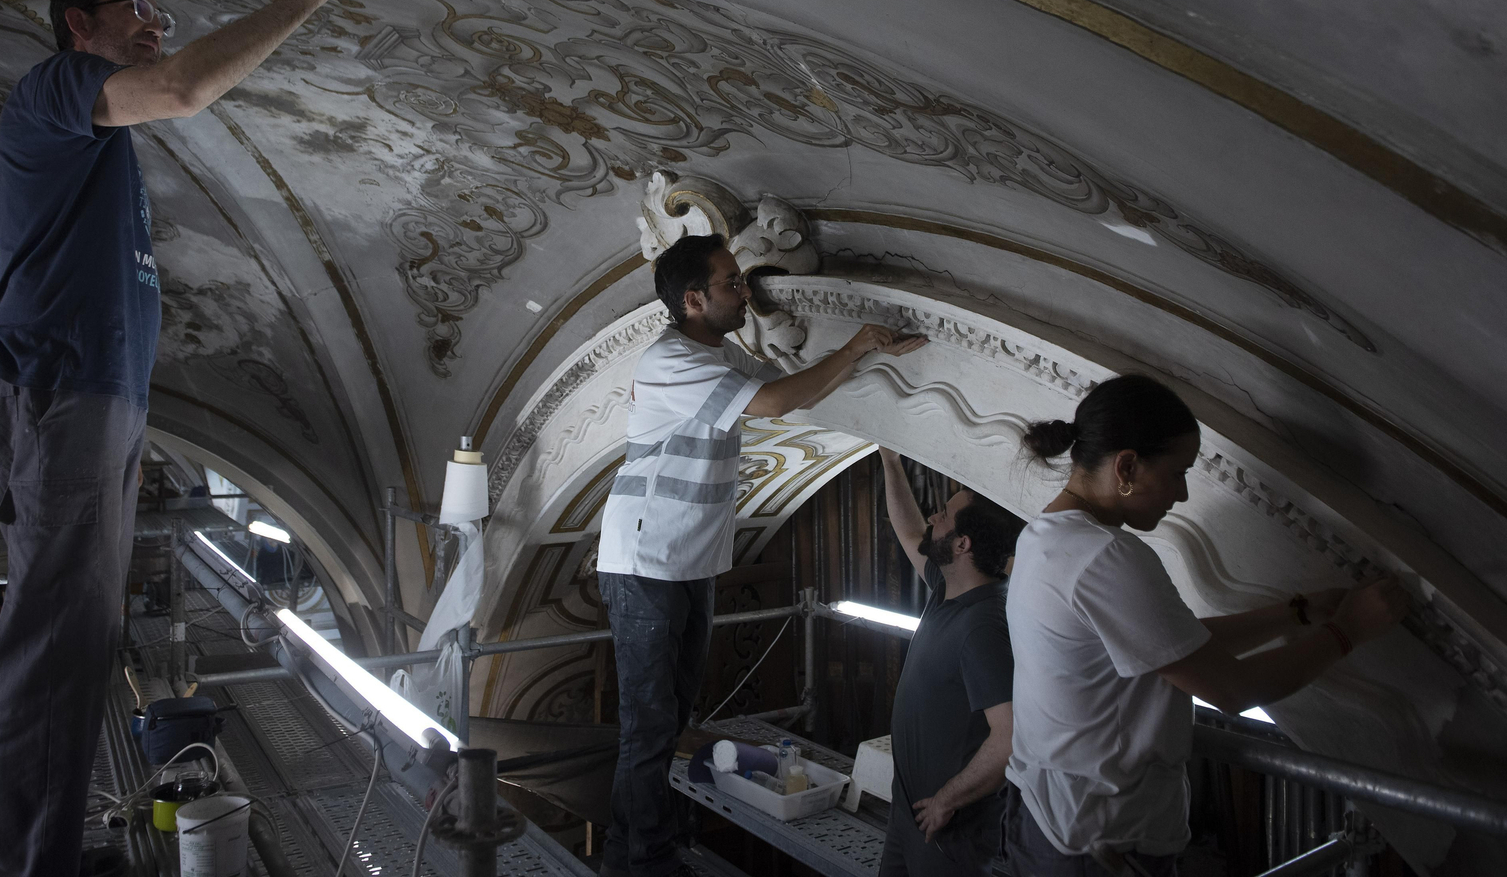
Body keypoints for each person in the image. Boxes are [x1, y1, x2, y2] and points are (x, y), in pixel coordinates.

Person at [0, 0, 370, 877]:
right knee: (55, 642)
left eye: (159, 11)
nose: (155, 23)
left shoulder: (100, 144)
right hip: (59, 387)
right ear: (79, 25)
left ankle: (39, 852)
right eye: (136, 8)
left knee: (76, 643)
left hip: (91, 395)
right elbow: (184, 89)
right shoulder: (54, 86)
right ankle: (13, 864)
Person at [595, 233, 925, 877]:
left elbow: (795, 391)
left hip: (686, 560)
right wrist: (854, 345)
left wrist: (867, 355)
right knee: (649, 726)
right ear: (693, 300)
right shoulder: (671, 359)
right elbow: (773, 404)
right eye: (731, 283)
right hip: (645, 559)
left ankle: (640, 851)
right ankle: (643, 862)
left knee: (669, 720)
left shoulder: (717, 354)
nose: (745, 293)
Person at [1003, 375, 1411, 876]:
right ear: (1126, 466)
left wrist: (1295, 613)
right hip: (1098, 842)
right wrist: (1350, 631)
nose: (1181, 493)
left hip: (1054, 820)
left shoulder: (1045, 535)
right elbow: (1232, 688)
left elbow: (1177, 646)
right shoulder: (1105, 556)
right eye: (1177, 473)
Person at [876, 448, 1025, 877]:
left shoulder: (983, 626)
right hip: (910, 816)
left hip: (948, 834)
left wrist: (947, 800)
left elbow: (1010, 739)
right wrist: (890, 462)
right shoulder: (948, 587)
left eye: (943, 515)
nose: (933, 518)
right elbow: (909, 530)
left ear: (962, 544)